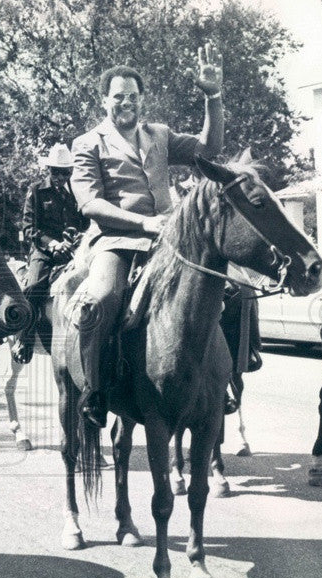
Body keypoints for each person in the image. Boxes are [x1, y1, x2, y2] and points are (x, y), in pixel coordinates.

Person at [70, 44, 225, 427]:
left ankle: (225, 381)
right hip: (116, 241)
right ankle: (94, 389)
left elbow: (209, 150)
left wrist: (213, 97)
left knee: (229, 291)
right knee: (102, 300)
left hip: (170, 240)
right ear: (104, 100)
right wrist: (142, 224)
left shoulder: (160, 134)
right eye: (119, 96)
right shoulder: (88, 143)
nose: (127, 103)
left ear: (142, 100)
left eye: (133, 97)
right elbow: (90, 203)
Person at [10, 143, 88, 365]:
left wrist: (78, 238)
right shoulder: (36, 191)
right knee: (33, 286)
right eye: (56, 171)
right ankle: (24, 339)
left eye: (65, 172)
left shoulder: (76, 193)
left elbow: (85, 222)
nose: (60, 177)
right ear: (49, 170)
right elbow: (29, 228)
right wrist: (53, 244)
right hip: (45, 251)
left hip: (73, 250)